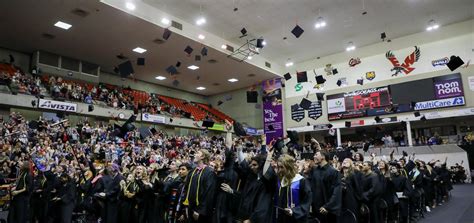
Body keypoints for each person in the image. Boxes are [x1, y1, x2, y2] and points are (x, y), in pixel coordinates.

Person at [264, 143, 312, 223]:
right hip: (279, 217)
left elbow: (307, 201)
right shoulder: (279, 180)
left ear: (289, 167)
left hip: (295, 219)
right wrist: (268, 157)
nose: (279, 170)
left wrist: (294, 211)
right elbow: (265, 175)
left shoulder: (301, 181)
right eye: (278, 167)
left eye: (282, 167)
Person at [183, 149, 217, 223]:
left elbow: (208, 194)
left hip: (200, 211)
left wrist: (199, 210)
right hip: (190, 208)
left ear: (203, 156)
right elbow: (186, 189)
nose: (194, 154)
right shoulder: (192, 171)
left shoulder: (209, 172)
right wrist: (186, 207)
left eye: (197, 153)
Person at [308, 150, 342, 223]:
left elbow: (336, 193)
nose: (314, 156)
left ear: (323, 157)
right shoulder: (314, 171)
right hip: (315, 209)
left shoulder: (334, 172)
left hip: (327, 210)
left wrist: (328, 207)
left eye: (316, 155)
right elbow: (310, 188)